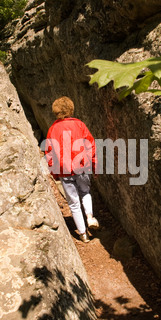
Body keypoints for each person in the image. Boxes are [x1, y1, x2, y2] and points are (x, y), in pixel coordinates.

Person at [43, 96, 99, 243]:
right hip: (82, 167)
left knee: (73, 203)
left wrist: (54, 172)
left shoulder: (52, 130)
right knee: (85, 192)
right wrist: (94, 166)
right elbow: (91, 146)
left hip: (64, 170)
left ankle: (83, 234)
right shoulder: (79, 125)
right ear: (71, 109)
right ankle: (90, 217)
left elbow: (49, 154)